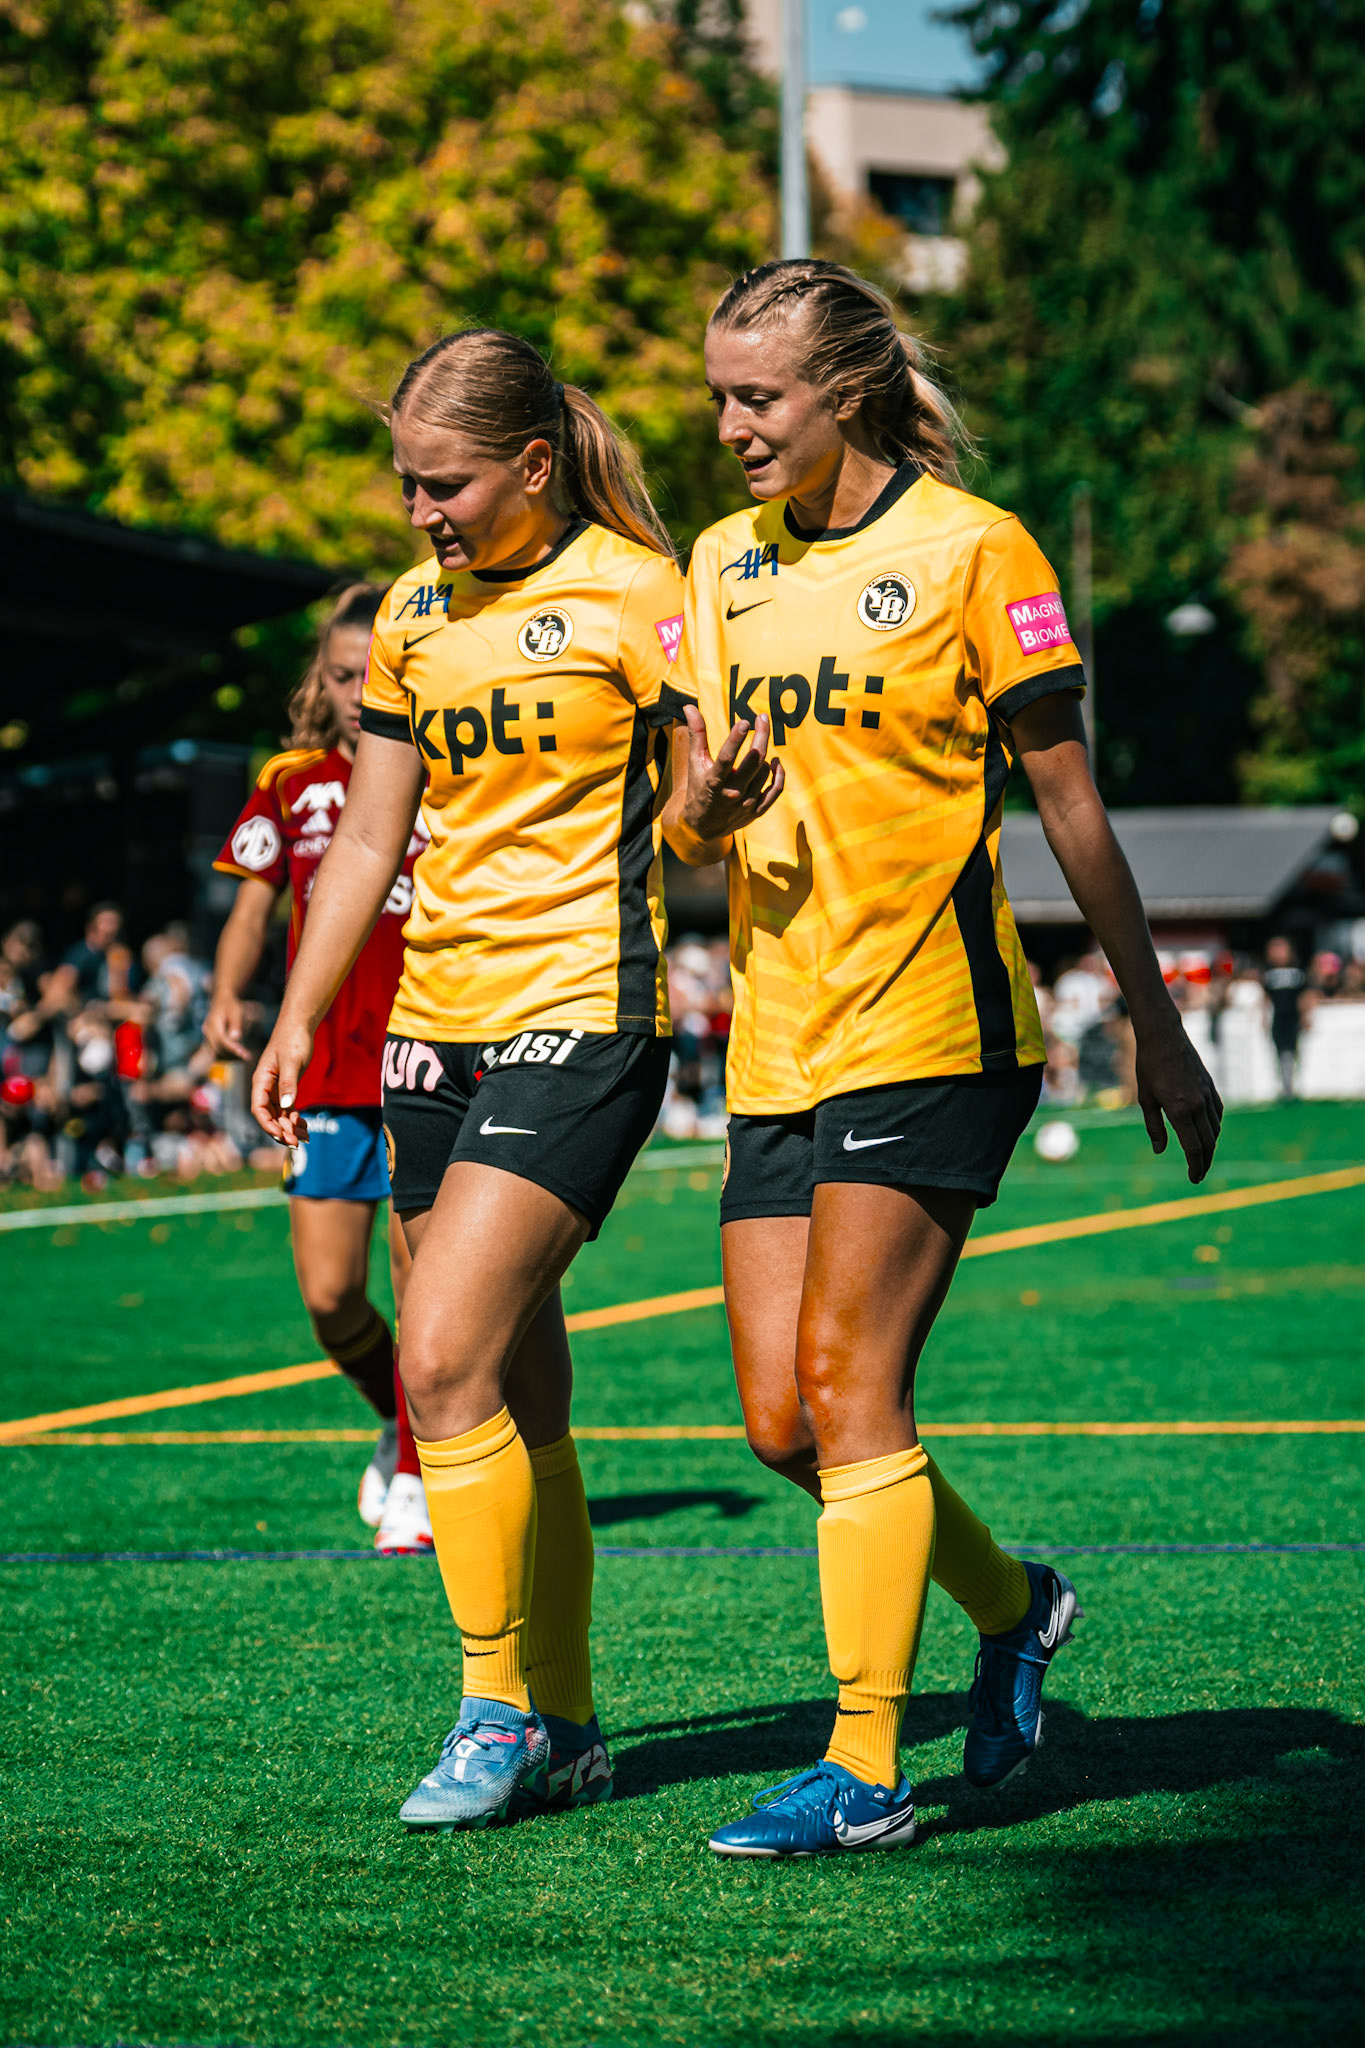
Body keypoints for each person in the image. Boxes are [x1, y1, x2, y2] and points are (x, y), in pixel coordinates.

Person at [665, 259, 1223, 1859]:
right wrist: (712, 808)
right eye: (716, 395)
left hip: (935, 1026)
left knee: (854, 1394)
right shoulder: (719, 565)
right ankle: (1017, 1603)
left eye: (754, 398)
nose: (728, 427)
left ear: (843, 393)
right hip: (779, 1034)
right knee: (782, 1425)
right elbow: (686, 826)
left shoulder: (976, 551)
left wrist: (1153, 1021)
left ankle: (863, 1769)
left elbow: (1069, 805)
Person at [250, 328, 699, 1831]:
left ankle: (494, 1709)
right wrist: (296, 1027)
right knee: (520, 1387)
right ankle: (568, 1725)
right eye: (406, 489)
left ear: (532, 462)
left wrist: (715, 805)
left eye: (445, 486)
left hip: (585, 1009)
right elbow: (370, 842)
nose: (423, 516)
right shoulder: (416, 618)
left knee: (437, 1361)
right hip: (431, 1031)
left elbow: (702, 815)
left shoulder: (645, 593)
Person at [205, 585, 432, 1556]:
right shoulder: (290, 781)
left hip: (428, 1052)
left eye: (372, 673)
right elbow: (254, 904)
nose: (355, 691)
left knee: (424, 1292)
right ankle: (398, 1417)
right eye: (342, 674)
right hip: (326, 1065)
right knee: (333, 1297)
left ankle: (423, 1476)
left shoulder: (452, 774)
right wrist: (230, 992)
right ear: (321, 680)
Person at [1262, 936, 1309, 1101]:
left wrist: (1305, 1015)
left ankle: (1294, 1086)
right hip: (1278, 1019)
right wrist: (1263, 1016)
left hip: (1293, 1018)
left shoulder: (1298, 972)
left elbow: (1304, 996)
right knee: (1280, 1052)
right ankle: (1285, 1087)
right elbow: (1265, 998)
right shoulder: (1268, 974)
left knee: (1294, 1051)